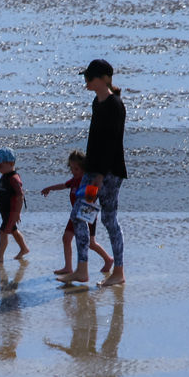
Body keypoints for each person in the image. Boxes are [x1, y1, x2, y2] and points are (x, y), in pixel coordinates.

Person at [58, 59, 126, 287]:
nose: (85, 81)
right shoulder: (97, 103)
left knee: (108, 219)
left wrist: (99, 176)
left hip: (108, 174)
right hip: (94, 171)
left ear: (100, 79)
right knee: (80, 215)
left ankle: (118, 272)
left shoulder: (115, 105)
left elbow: (112, 144)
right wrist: (89, 170)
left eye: (88, 77)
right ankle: (82, 270)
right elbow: (95, 143)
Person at [41, 150, 114, 276]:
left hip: (87, 213)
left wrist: (89, 195)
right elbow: (63, 185)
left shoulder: (86, 180)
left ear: (84, 168)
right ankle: (68, 267)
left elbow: (93, 196)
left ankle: (108, 259)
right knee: (66, 238)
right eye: (72, 169)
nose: (74, 172)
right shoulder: (74, 180)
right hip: (75, 215)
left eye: (77, 169)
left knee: (91, 243)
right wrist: (50, 188)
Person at [0, 147, 29, 263]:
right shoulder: (4, 177)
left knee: (3, 231)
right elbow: (0, 192)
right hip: (5, 212)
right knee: (13, 230)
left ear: (10, 163)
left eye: (0, 165)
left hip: (11, 212)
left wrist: (17, 213)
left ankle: (0, 256)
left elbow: (20, 196)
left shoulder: (14, 179)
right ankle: (24, 248)